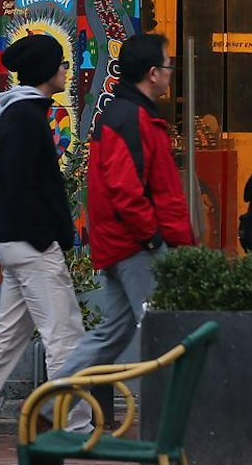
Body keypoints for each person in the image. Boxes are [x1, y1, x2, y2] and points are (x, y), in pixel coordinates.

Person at [52, 33, 192, 428]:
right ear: (152, 74)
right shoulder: (129, 118)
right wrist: (153, 238)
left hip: (128, 245)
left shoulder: (130, 115)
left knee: (111, 336)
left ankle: (49, 407)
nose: (170, 73)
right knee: (164, 333)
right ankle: (167, 424)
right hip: (137, 248)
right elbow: (126, 189)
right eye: (168, 66)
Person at [0, 34, 85, 444]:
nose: (67, 70)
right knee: (64, 335)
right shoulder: (28, 119)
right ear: (48, 71)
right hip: (32, 246)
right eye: (62, 64)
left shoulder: (19, 114)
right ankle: (75, 426)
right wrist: (48, 235)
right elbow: (27, 186)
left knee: (6, 335)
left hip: (18, 242)